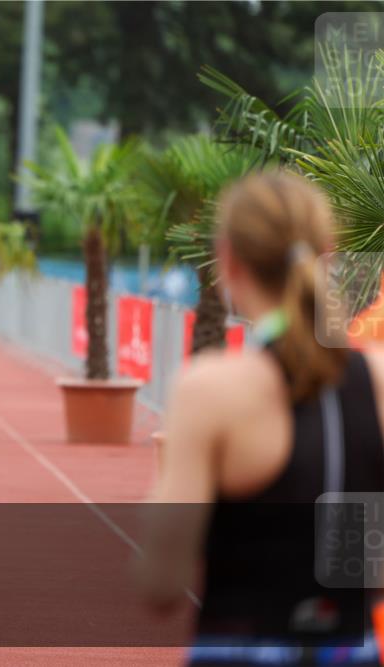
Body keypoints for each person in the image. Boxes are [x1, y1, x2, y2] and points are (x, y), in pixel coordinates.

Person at [137, 171, 384, 665]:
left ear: (228, 260)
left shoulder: (210, 390)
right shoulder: (376, 381)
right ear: (328, 254)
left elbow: (160, 583)